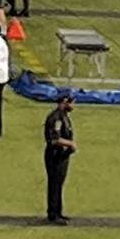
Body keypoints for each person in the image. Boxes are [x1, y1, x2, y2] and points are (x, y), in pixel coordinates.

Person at [43, 96, 74, 224]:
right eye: (71, 103)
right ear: (64, 103)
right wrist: (70, 144)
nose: (73, 106)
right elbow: (53, 139)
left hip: (62, 155)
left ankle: (58, 212)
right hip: (55, 155)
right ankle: (53, 214)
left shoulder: (63, 116)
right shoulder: (56, 118)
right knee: (54, 184)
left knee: (58, 184)